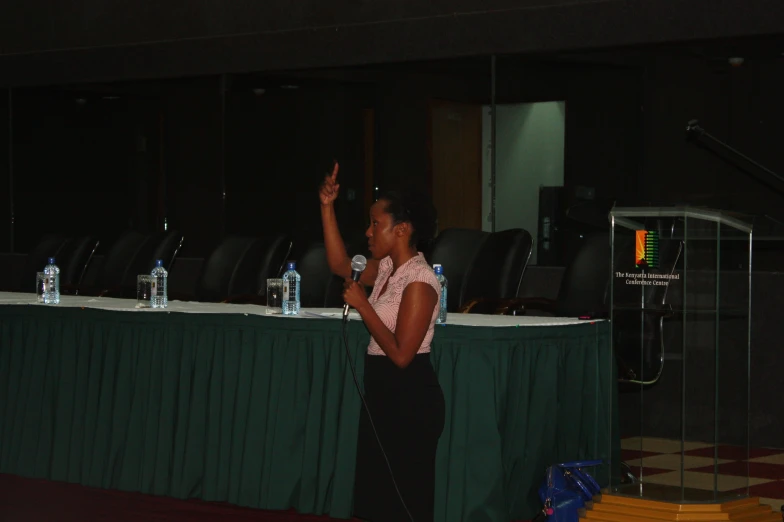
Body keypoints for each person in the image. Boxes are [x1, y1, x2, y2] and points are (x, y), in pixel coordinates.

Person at [319, 162, 445, 522]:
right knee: (377, 498)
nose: (368, 232)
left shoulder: (419, 280)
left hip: (410, 396)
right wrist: (327, 206)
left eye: (376, 224)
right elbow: (340, 264)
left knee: (405, 501)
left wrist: (363, 306)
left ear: (402, 229)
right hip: (382, 392)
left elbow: (403, 355)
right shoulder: (388, 268)